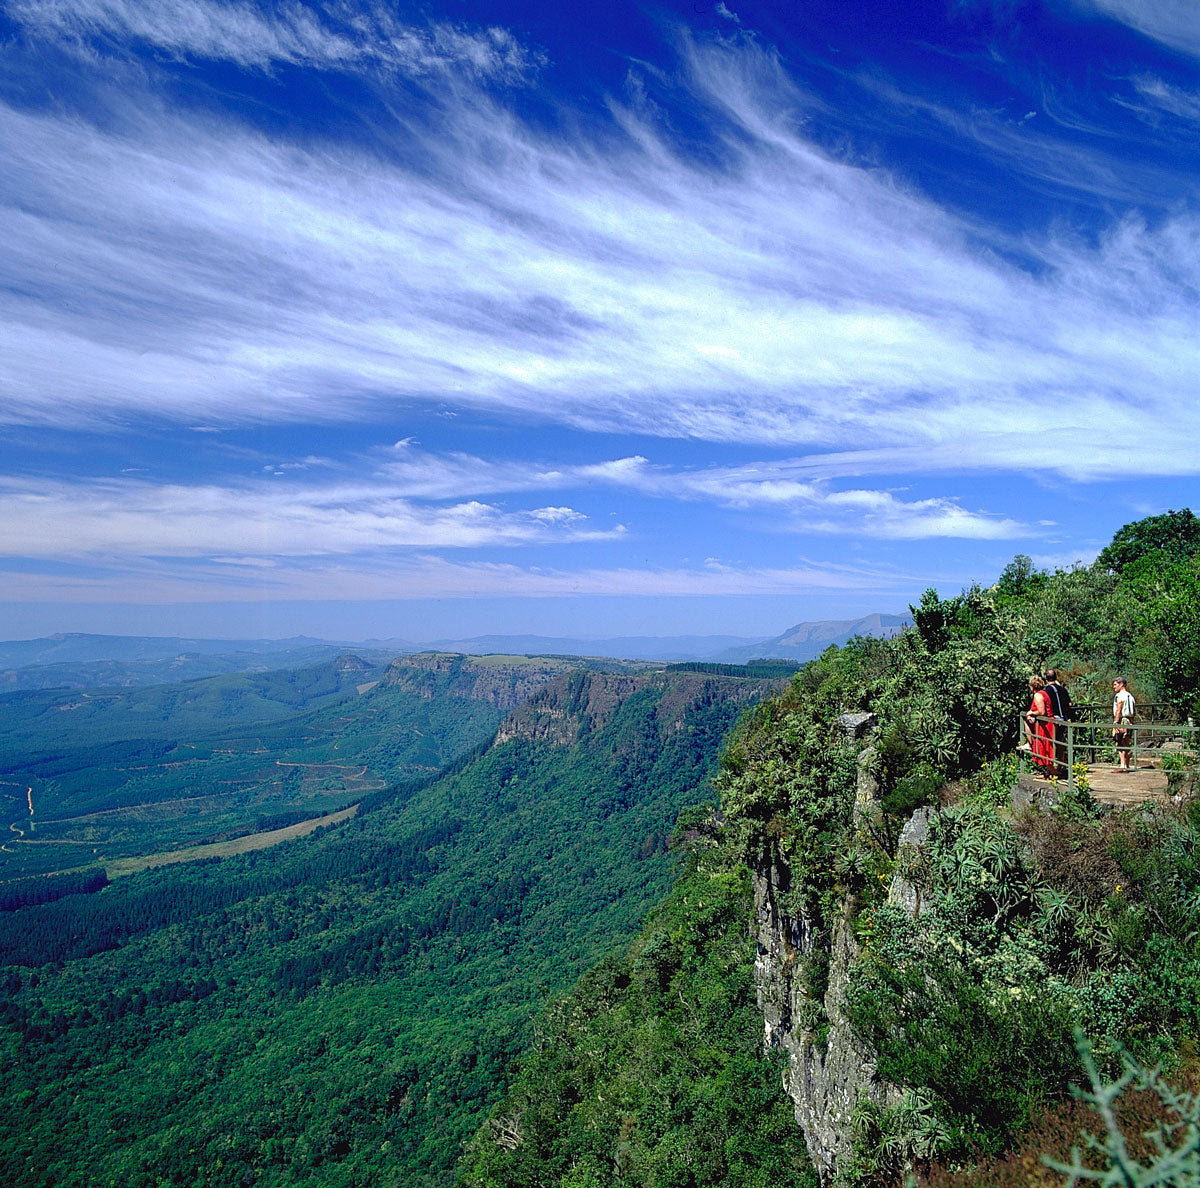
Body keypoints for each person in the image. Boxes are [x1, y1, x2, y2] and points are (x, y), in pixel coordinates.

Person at [1043, 669, 1073, 776]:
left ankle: (1050, 769)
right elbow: (1069, 704)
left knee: (1050, 743)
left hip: (1053, 720)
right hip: (1063, 719)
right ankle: (1061, 766)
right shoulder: (1063, 689)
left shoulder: (1046, 690)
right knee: (1060, 743)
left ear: (1045, 678)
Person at [1024, 675, 1056, 776]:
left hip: (1046, 725)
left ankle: (1055, 773)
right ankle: (1049, 773)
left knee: (1044, 749)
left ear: (1032, 686)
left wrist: (1031, 713)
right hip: (1045, 724)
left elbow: (1042, 712)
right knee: (1044, 748)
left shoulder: (1038, 695)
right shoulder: (1044, 693)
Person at [1112, 677, 1136, 772]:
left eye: (1115, 685)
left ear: (1121, 684)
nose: (1114, 687)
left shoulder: (1120, 696)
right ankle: (1126, 764)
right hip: (1129, 720)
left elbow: (1119, 708)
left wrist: (1116, 722)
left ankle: (1123, 766)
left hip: (1122, 720)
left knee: (1119, 742)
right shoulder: (1130, 696)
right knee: (1126, 742)